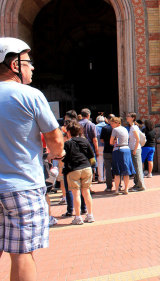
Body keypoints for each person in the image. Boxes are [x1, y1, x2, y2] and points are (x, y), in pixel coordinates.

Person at [0, 37, 64, 281]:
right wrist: (56, 154)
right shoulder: (30, 95)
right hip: (22, 186)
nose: (33, 67)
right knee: (22, 253)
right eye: (28, 62)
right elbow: (55, 139)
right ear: (15, 65)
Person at [62, 121, 96, 225]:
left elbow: (63, 157)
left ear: (68, 132)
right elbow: (91, 156)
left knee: (76, 193)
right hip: (86, 167)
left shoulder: (67, 143)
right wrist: (93, 168)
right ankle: (90, 215)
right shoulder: (85, 141)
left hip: (74, 169)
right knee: (86, 192)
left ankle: (78, 217)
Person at [109, 117, 135, 195]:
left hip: (118, 150)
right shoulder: (125, 129)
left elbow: (111, 142)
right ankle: (126, 189)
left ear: (117, 123)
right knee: (126, 171)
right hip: (126, 149)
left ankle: (117, 190)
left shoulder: (115, 130)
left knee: (117, 171)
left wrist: (113, 141)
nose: (111, 125)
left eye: (112, 123)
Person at [126, 112, 146, 191]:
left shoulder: (134, 128)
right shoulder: (132, 127)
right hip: (133, 148)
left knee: (137, 168)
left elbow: (137, 139)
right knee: (135, 167)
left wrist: (134, 150)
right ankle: (136, 184)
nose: (127, 117)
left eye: (128, 116)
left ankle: (141, 186)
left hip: (135, 149)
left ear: (132, 118)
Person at [79, 108, 99, 184]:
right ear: (88, 115)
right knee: (91, 166)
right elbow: (95, 139)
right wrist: (96, 151)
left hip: (78, 148)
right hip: (90, 148)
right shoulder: (91, 125)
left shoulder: (77, 124)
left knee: (80, 166)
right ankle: (88, 186)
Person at [100, 114, 115, 191]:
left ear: (108, 119)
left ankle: (109, 186)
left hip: (107, 150)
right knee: (116, 168)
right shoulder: (116, 128)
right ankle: (118, 185)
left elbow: (101, 140)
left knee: (108, 169)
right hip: (115, 150)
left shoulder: (105, 128)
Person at [95, 115, 107, 183]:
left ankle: (100, 178)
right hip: (107, 146)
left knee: (100, 162)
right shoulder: (108, 126)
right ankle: (106, 177)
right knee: (106, 162)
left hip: (99, 146)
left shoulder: (96, 127)